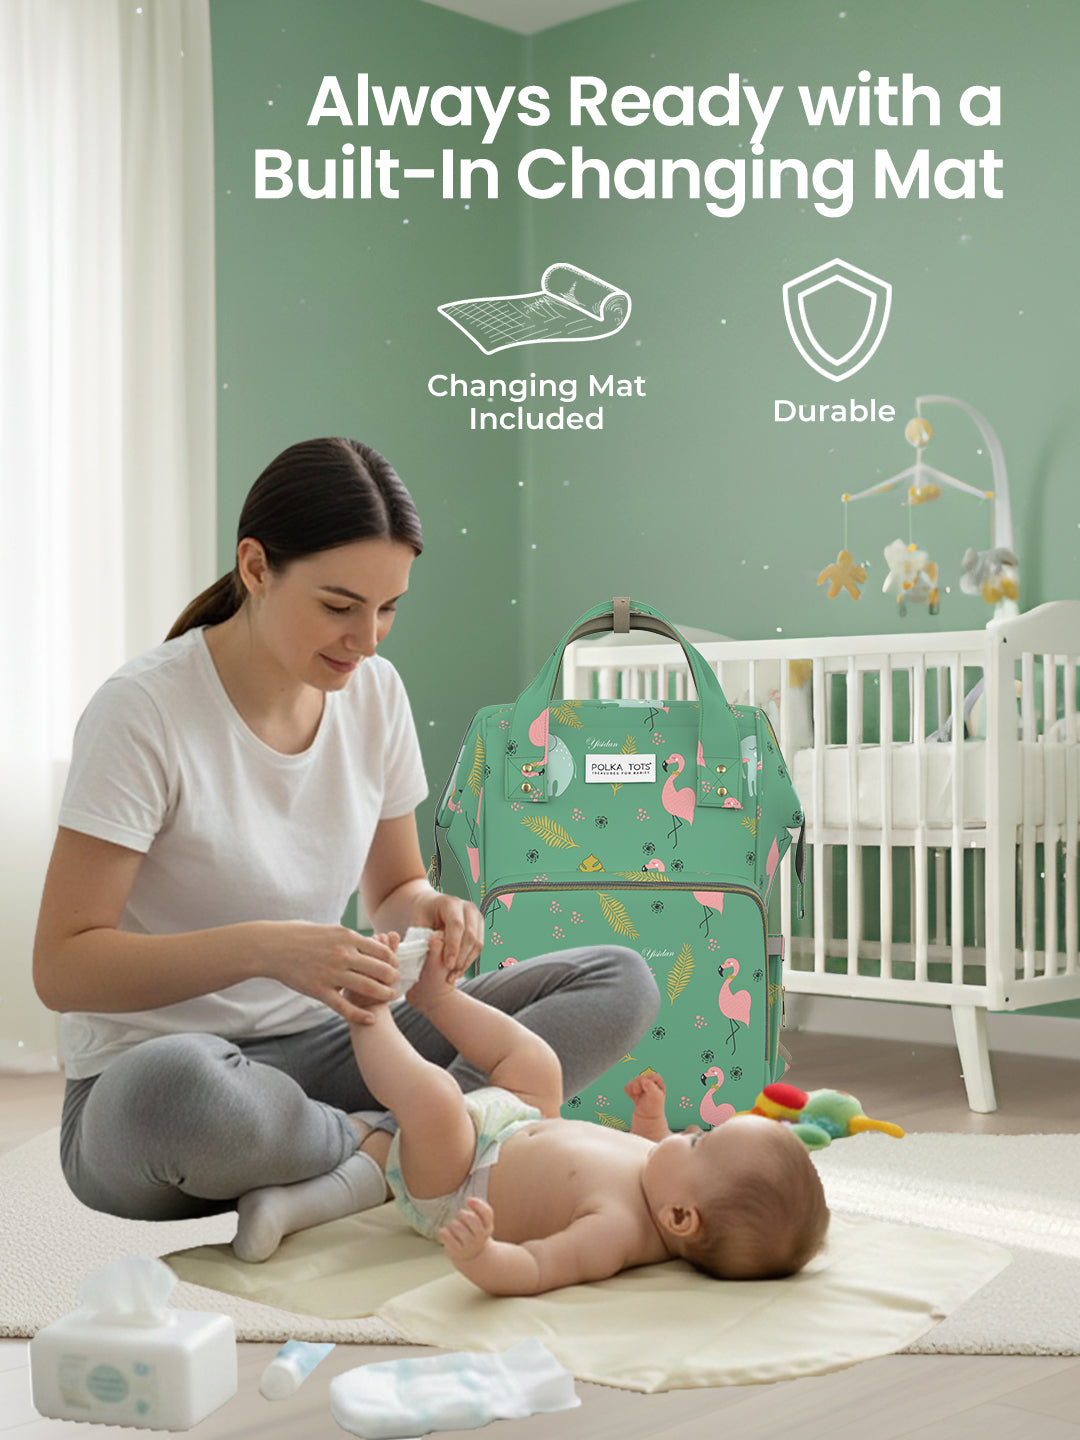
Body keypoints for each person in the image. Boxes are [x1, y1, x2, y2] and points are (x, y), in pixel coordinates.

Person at [32, 437, 659, 1229]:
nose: (367, 639)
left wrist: (431, 909)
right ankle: (401, 1147)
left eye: (388, 607)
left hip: (333, 1046)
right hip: (160, 1081)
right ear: (256, 568)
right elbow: (63, 968)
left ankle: (385, 1152)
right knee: (179, 1095)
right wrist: (266, 950)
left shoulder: (375, 694)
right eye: (339, 607)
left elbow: (393, 889)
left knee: (618, 979)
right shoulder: (143, 711)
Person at [238, 930, 830, 1291]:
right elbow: (652, 1148)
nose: (692, 1130)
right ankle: (438, 998)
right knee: (540, 1063)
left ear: (679, 1219)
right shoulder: (665, 1180)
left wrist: (484, 1256)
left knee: (437, 1102)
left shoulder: (616, 1233)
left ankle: (368, 1013)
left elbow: (540, 1267)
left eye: (700, 1142)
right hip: (517, 1120)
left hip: (457, 1182)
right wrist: (651, 1120)